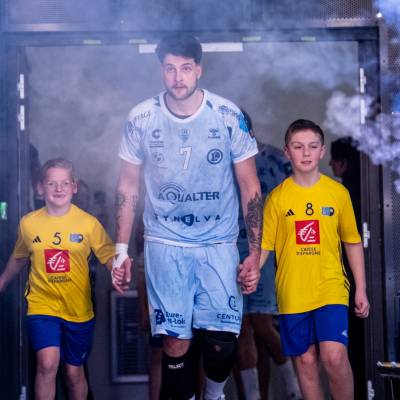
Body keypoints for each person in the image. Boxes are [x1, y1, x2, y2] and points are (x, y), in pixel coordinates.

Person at [112, 34, 262, 400]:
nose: (178, 77)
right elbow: (128, 185)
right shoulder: (141, 117)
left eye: (185, 68)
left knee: (222, 342)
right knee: (174, 343)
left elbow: (250, 187)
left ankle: (214, 394)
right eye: (170, 68)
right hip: (165, 243)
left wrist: (255, 252)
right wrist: (121, 250)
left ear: (199, 70)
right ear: (160, 70)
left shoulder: (228, 115)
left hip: (217, 243)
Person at [259, 119, 370, 400]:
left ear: (322, 152)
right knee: (306, 360)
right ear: (287, 152)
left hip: (330, 288)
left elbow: (352, 241)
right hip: (292, 293)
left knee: (334, 357)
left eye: (312, 146)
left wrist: (361, 288)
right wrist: (251, 271)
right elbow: (264, 247)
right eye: (298, 147)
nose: (306, 153)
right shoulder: (276, 199)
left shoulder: (338, 194)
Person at [0, 158, 121, 400]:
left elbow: (109, 255)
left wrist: (117, 272)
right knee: (47, 363)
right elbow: (20, 256)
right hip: (42, 305)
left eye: (65, 183)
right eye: (51, 183)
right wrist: (2, 281)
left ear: (74, 187)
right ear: (40, 188)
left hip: (78, 309)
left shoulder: (88, 224)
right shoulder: (29, 223)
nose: (58, 188)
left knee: (73, 373)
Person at [236, 113, 301, 400]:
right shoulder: (222, 163)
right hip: (230, 251)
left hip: (265, 251)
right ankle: (253, 395)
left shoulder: (275, 159)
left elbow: (296, 203)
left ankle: (294, 389)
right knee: (241, 327)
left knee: (262, 323)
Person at [329, 137, 366, 399]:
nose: (330, 164)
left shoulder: (343, 195)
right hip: (362, 281)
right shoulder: (365, 190)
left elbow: (348, 243)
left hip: (348, 282)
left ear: (342, 163)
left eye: (333, 160)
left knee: (351, 349)